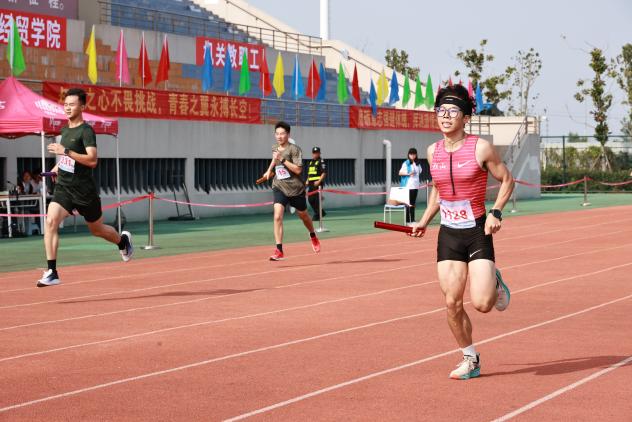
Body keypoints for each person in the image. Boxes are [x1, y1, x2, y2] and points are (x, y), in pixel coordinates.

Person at [410, 84, 514, 380]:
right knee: (452, 303)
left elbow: (507, 180)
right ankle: (470, 359)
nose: (445, 116)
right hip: (449, 234)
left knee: (482, 304)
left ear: (466, 117)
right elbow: (438, 191)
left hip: (477, 231)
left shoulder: (481, 148)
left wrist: (496, 212)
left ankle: (494, 280)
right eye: (440, 110)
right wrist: (424, 220)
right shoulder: (433, 151)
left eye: (452, 111)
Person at [38, 88, 133, 287]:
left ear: (82, 107)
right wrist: (56, 168)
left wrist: (65, 151)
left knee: (97, 230)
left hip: (84, 192)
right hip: (64, 188)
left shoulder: (86, 131)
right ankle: (52, 271)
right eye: (65, 104)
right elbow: (68, 158)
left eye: (72, 105)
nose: (67, 108)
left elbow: (92, 160)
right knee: (51, 221)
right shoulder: (65, 130)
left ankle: (122, 242)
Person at [261, 121, 321, 261]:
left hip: (295, 189)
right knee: (277, 216)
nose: (279, 136)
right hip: (279, 186)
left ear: (288, 134)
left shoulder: (295, 150)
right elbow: (274, 159)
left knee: (303, 216)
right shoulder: (275, 147)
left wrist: (282, 159)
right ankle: (279, 249)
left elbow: (298, 170)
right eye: (277, 134)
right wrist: (268, 171)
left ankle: (313, 235)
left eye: (282, 133)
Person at [398, 148, 423, 224]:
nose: (412, 155)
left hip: (415, 186)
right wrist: (408, 173)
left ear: (416, 155)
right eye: (411, 154)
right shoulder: (406, 163)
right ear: (408, 155)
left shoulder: (417, 163)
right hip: (408, 186)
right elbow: (400, 173)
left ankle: (412, 219)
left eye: (414, 154)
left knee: (413, 203)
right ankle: (407, 220)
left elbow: (420, 171)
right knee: (408, 203)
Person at [305, 146, 327, 221]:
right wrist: (307, 180)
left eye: (317, 153)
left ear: (319, 153)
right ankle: (321, 212)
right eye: (314, 153)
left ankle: (318, 214)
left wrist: (319, 181)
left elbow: (324, 173)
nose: (315, 154)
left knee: (316, 200)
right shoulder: (311, 162)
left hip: (318, 184)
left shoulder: (321, 161)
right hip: (311, 183)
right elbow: (310, 173)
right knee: (310, 200)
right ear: (312, 153)